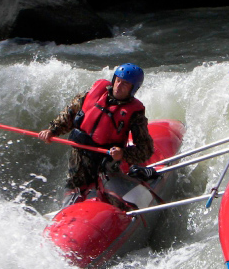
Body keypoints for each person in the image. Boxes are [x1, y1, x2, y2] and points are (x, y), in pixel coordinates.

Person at [38, 63, 155, 204]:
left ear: (133, 89)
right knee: (71, 194)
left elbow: (146, 150)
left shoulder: (135, 113)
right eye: (118, 80)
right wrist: (52, 130)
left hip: (107, 163)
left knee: (115, 200)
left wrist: (123, 154)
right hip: (80, 159)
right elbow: (69, 115)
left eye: (125, 84)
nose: (119, 86)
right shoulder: (92, 94)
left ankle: (138, 174)